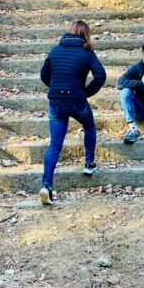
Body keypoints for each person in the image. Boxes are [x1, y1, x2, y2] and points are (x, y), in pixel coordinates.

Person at [38, 20, 106, 206]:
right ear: (86, 34)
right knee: (89, 126)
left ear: (69, 32)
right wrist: (86, 93)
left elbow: (44, 75)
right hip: (77, 101)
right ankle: (89, 163)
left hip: (56, 102)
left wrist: (55, 88)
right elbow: (101, 75)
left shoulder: (55, 50)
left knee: (54, 145)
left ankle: (46, 185)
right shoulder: (87, 52)